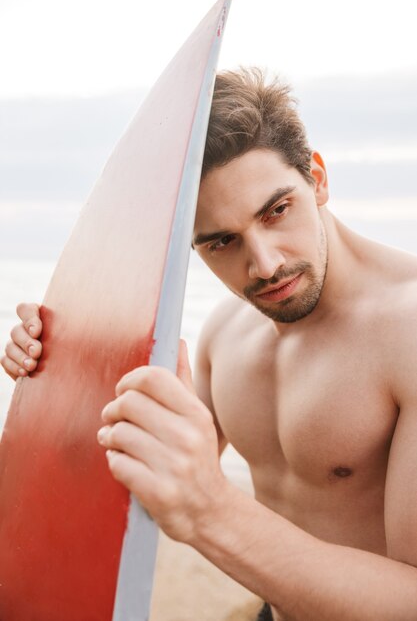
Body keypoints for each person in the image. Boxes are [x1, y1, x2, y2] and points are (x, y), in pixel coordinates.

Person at [2, 68, 417, 621]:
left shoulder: (407, 332)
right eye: (222, 241)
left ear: (316, 177)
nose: (265, 264)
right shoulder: (225, 335)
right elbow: (149, 480)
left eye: (276, 210)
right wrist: (65, 363)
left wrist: (211, 510)